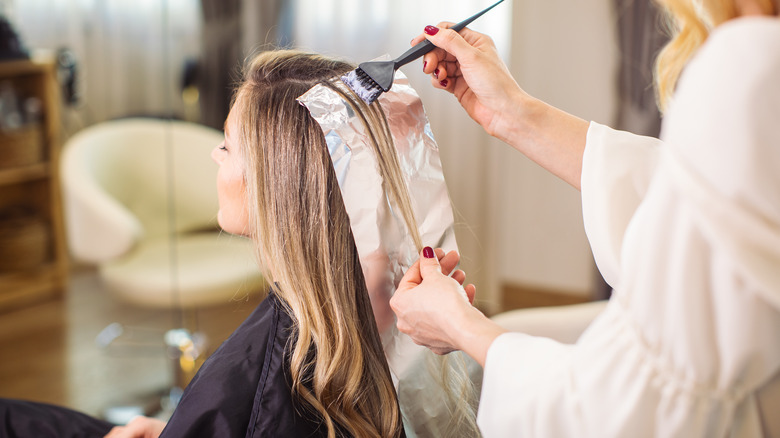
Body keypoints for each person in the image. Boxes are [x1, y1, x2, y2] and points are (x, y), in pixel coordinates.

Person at [0, 50, 475, 438]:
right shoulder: (389, 311)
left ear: (276, 185)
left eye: (226, 145)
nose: (212, 153)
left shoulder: (244, 383)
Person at [390, 0, 780, 436]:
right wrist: (511, 113)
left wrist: (461, 327)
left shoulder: (753, 62)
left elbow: (624, 414)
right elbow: (682, 199)